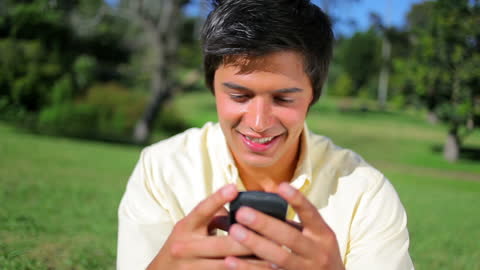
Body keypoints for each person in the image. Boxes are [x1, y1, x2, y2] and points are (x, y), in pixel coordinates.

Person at [117, 0, 414, 269]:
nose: (259, 122)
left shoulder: (365, 193)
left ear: (313, 95)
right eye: (239, 95)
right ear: (213, 88)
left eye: (284, 99)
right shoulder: (161, 169)